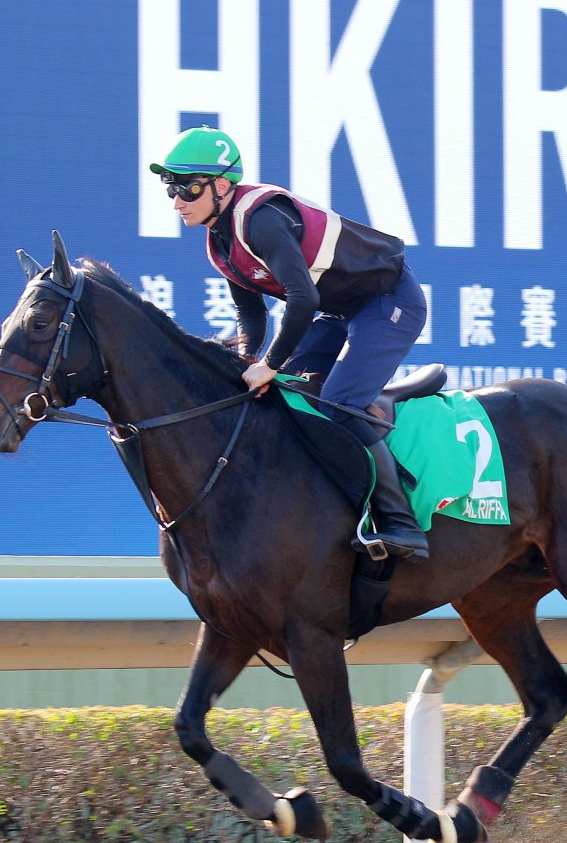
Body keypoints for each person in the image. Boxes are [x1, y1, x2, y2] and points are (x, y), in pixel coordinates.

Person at [150, 126, 430, 562]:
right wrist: (246, 362)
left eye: (187, 188)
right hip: (342, 309)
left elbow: (304, 299)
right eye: (171, 188)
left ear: (221, 185)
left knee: (337, 402)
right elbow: (252, 314)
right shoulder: (219, 244)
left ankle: (400, 523)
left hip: (388, 301)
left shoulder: (259, 219)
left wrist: (271, 363)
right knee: (286, 394)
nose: (176, 201)